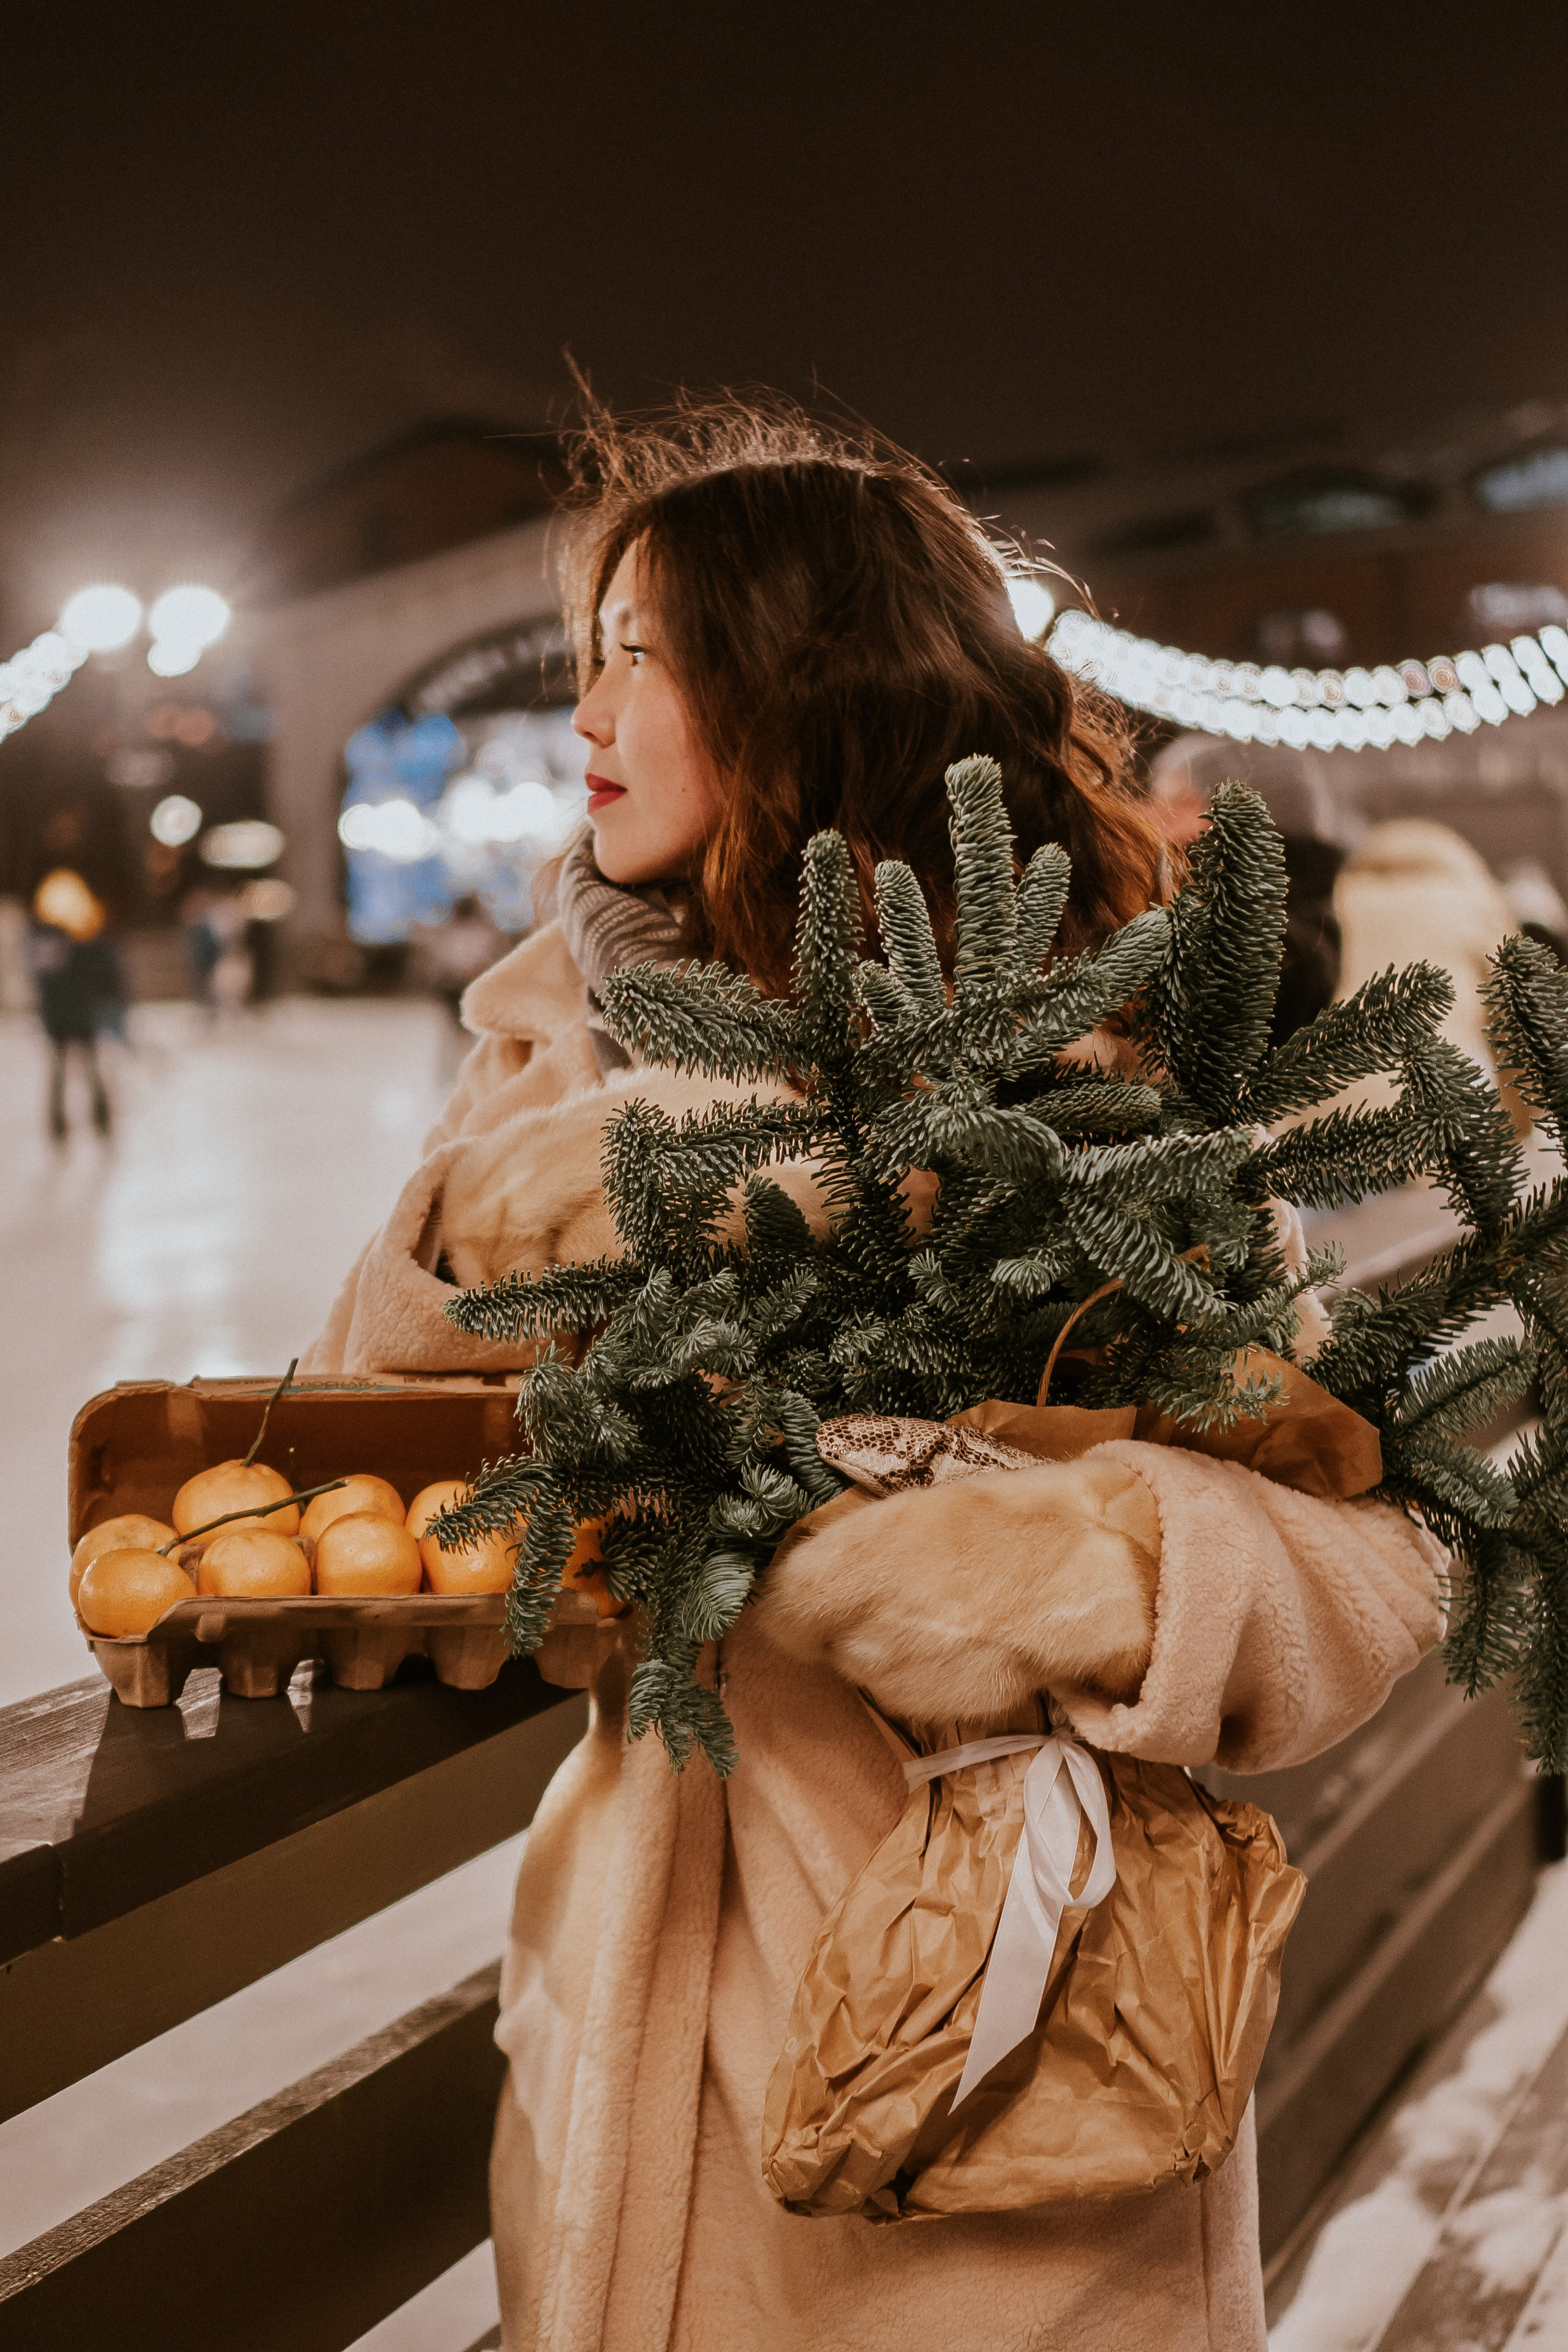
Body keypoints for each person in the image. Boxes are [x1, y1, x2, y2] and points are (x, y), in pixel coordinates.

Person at [306, 403, 1442, 2352]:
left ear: (795, 682)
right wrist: (471, 1231)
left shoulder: (1075, 1077)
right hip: (632, 2047)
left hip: (995, 2062)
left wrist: (1076, 1572)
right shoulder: (548, 1053)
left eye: (637, 654)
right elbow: (384, 1447)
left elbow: (1367, 1556)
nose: (579, 708)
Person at [28, 867, 124, 1139]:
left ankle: (64, 1123)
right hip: (78, 1015)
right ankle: (96, 1117)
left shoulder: (51, 943)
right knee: (84, 1068)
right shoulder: (86, 940)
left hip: (63, 1016)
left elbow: (44, 982)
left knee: (64, 1070)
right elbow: (104, 975)